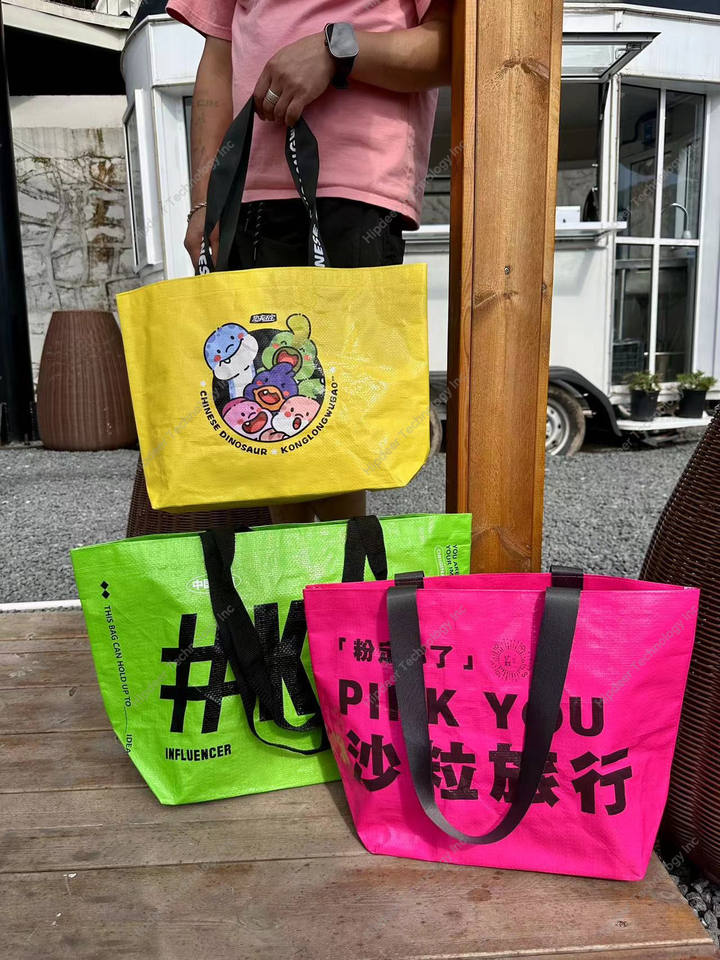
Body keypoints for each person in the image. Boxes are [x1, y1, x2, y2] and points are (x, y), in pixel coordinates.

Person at [167, 0, 451, 523]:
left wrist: (339, 50)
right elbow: (218, 60)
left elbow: (450, 48)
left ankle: (336, 566)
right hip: (247, 195)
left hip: (358, 189)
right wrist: (205, 200)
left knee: (339, 427)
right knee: (272, 443)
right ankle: (313, 567)